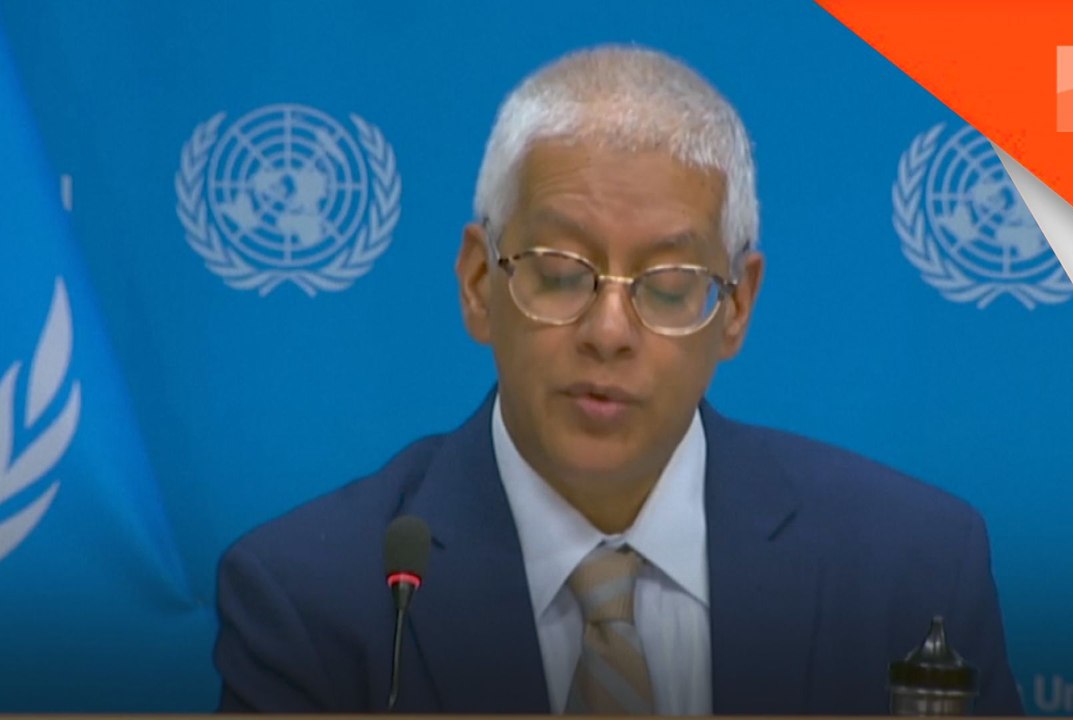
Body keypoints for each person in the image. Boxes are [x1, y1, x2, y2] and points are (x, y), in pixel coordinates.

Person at [214, 45, 1023, 715]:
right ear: (478, 284)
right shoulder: (315, 599)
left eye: (669, 284)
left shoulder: (909, 574)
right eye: (560, 271)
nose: (608, 332)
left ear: (736, 308)